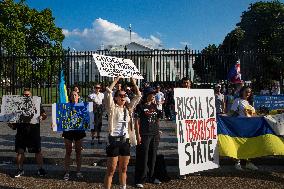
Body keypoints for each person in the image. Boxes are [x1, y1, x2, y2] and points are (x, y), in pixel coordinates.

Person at [104, 76, 141, 189]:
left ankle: (123, 187)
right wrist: (116, 80)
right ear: (115, 98)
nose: (123, 97)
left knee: (124, 168)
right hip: (113, 141)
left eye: (125, 95)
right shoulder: (112, 108)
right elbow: (107, 93)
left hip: (125, 142)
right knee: (111, 170)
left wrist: (134, 83)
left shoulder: (128, 109)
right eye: (120, 95)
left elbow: (138, 96)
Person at [10, 88, 47, 178]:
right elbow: (13, 124)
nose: (26, 96)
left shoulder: (37, 103)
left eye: (28, 95)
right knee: (20, 152)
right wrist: (10, 123)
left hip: (34, 132)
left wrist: (42, 117)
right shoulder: (17, 106)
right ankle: (20, 169)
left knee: (38, 151)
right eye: (24, 95)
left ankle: (41, 169)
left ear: (31, 96)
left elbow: (44, 115)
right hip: (21, 133)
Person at [134, 86, 162, 188]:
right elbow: (136, 121)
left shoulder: (155, 106)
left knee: (153, 156)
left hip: (154, 134)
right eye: (152, 94)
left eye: (154, 94)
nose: (154, 95)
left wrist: (158, 130)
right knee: (143, 157)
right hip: (144, 134)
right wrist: (138, 135)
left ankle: (152, 177)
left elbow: (157, 119)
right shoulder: (140, 106)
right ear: (147, 95)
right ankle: (140, 179)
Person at [229, 86, 258, 171]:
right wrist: (221, 116)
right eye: (246, 92)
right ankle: (237, 163)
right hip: (240, 125)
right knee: (239, 143)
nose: (248, 94)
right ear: (242, 92)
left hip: (250, 126)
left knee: (248, 144)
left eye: (249, 92)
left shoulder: (250, 102)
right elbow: (231, 113)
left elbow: (253, 115)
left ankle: (248, 163)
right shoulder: (237, 100)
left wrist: (263, 117)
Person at [62, 91, 86, 181]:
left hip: (79, 131)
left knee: (78, 151)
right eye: (72, 95)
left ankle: (78, 171)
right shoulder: (65, 106)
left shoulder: (83, 106)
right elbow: (61, 118)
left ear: (78, 96)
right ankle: (67, 172)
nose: (73, 96)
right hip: (68, 131)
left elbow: (87, 118)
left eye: (75, 95)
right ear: (70, 97)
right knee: (68, 151)